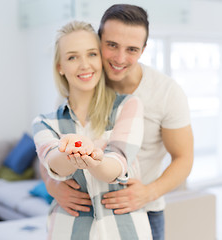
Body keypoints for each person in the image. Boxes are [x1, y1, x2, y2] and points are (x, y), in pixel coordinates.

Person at [41, 4, 194, 240]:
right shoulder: (80, 83)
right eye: (112, 45)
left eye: (131, 49)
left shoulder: (166, 93)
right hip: (85, 210)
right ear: (99, 40)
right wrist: (52, 185)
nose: (120, 58)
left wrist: (147, 193)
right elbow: (49, 143)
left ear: (143, 50)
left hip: (140, 207)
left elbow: (184, 158)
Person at [32, 20, 152, 239]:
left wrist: (93, 157)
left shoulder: (128, 106)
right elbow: (53, 162)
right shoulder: (44, 122)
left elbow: (117, 164)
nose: (84, 65)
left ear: (101, 59)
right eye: (72, 57)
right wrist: (73, 150)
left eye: (91, 54)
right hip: (67, 231)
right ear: (60, 66)